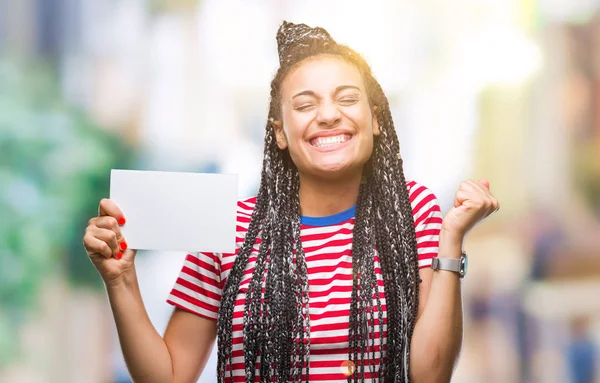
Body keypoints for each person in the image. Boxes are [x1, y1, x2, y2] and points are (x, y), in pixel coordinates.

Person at [83, 21, 499, 383]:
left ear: (375, 120)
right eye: (305, 104)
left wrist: (452, 240)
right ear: (280, 133)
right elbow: (169, 376)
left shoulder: (414, 212)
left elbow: (431, 375)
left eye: (347, 98)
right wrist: (120, 280)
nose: (329, 115)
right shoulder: (230, 227)